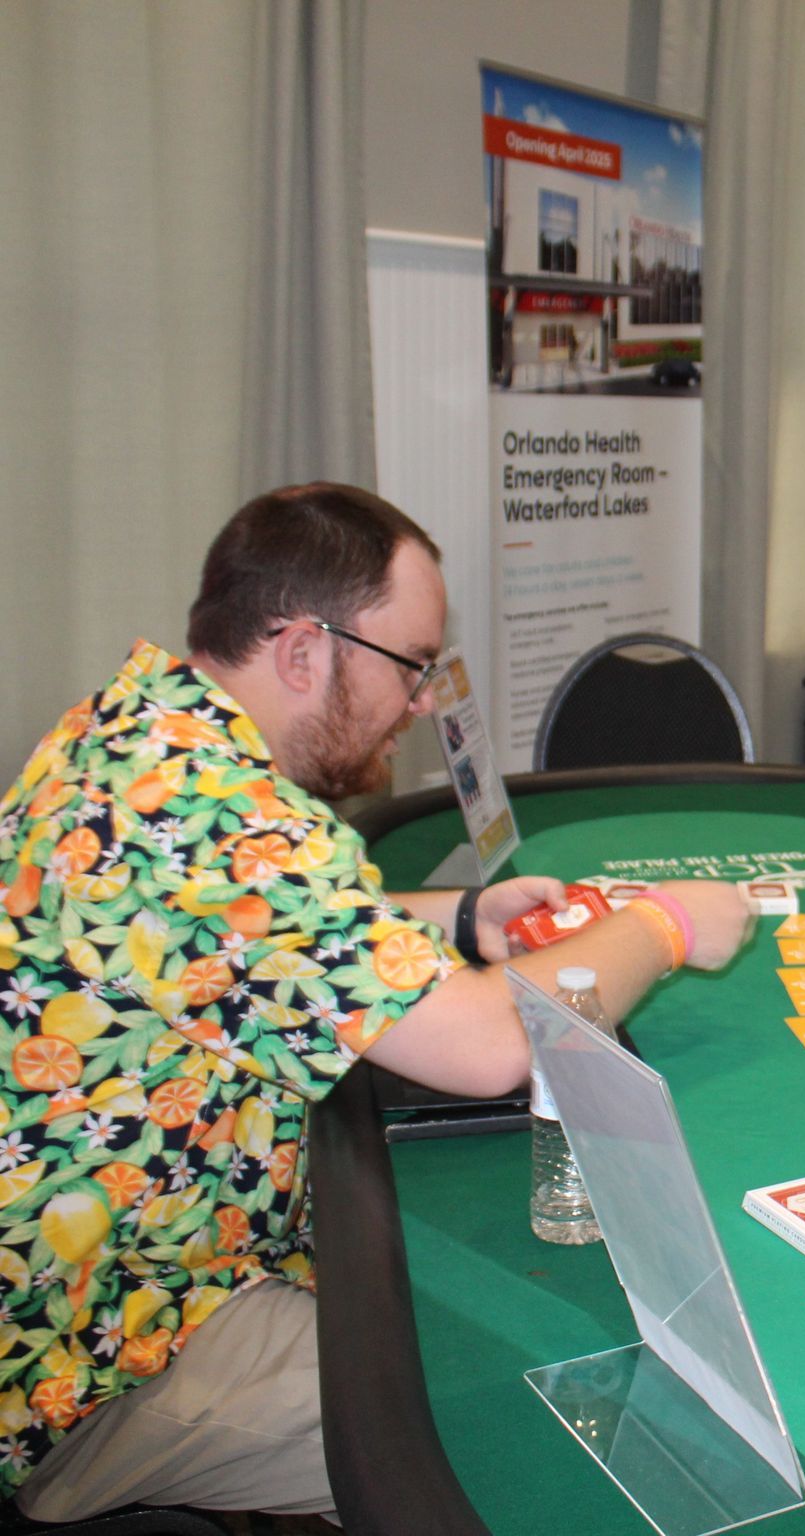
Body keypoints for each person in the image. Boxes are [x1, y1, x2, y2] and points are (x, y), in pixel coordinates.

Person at [0, 484, 751, 1520]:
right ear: (304, 651)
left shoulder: (143, 727)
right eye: (410, 666)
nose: (419, 703)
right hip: (93, 1360)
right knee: (540, 1424)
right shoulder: (221, 819)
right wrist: (665, 925)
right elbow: (492, 1046)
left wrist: (454, 919)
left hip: (149, 1269)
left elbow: (226, 934)